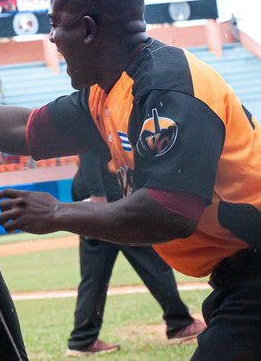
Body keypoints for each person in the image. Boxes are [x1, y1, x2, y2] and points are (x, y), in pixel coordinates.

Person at [0, 0, 261, 360]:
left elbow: (169, 212)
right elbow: (22, 129)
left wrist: (58, 213)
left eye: (54, 24)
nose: (51, 37)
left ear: (86, 29)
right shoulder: (108, 91)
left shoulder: (167, 85)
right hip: (237, 280)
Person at [65, 152, 204, 357]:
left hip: (98, 199)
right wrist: (98, 198)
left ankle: (82, 339)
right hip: (110, 203)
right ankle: (179, 323)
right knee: (153, 263)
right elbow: (88, 149)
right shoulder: (100, 121)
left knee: (94, 275)